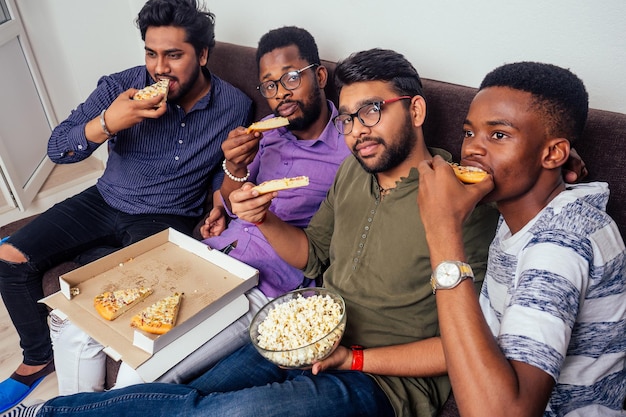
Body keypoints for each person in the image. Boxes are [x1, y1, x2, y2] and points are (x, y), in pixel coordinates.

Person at [1, 48, 501, 417]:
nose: (356, 132)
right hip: (303, 332)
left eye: (372, 111)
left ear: (414, 110)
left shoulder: (463, 198)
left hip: (380, 381)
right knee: (199, 392)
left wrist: (355, 357)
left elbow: (467, 342)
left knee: (223, 414)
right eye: (348, 118)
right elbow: (313, 253)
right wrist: (264, 218)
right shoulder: (355, 171)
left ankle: (48, 414)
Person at [51, 26, 351, 392]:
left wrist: (254, 214)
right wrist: (235, 171)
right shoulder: (267, 134)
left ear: (319, 76)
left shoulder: (350, 149)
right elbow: (226, 196)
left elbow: (337, 245)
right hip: (208, 257)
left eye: (291, 78)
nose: (281, 94)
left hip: (266, 285)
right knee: (76, 330)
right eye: (269, 86)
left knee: (139, 374)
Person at [0, 0, 252, 411]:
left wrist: (216, 204)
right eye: (151, 53)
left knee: (115, 292)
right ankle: (37, 357)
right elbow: (58, 148)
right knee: (8, 257)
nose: (159, 67)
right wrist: (107, 124)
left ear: (203, 54)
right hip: (105, 198)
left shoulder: (234, 106)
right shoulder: (120, 87)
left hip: (167, 215)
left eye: (174, 55)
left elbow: (218, 171)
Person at [417, 62, 626, 415]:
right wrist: (354, 359)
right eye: (470, 133)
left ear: (553, 153)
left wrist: (442, 232)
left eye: (498, 135)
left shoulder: (560, 246)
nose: (472, 151)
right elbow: (471, 343)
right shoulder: (521, 212)